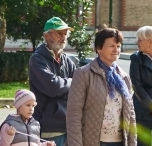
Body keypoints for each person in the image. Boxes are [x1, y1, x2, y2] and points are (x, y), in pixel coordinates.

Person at [66, 28, 137, 146]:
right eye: (112, 46)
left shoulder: (124, 77)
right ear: (99, 48)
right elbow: (74, 114)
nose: (116, 50)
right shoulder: (84, 74)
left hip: (119, 142)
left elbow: (131, 114)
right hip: (93, 142)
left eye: (118, 46)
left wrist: (132, 143)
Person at [29, 17, 77, 146]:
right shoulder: (37, 59)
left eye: (65, 34)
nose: (63, 37)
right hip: (48, 127)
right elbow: (53, 87)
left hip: (68, 125)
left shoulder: (67, 60)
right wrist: (71, 82)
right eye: (59, 33)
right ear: (47, 35)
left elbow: (80, 87)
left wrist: (65, 85)